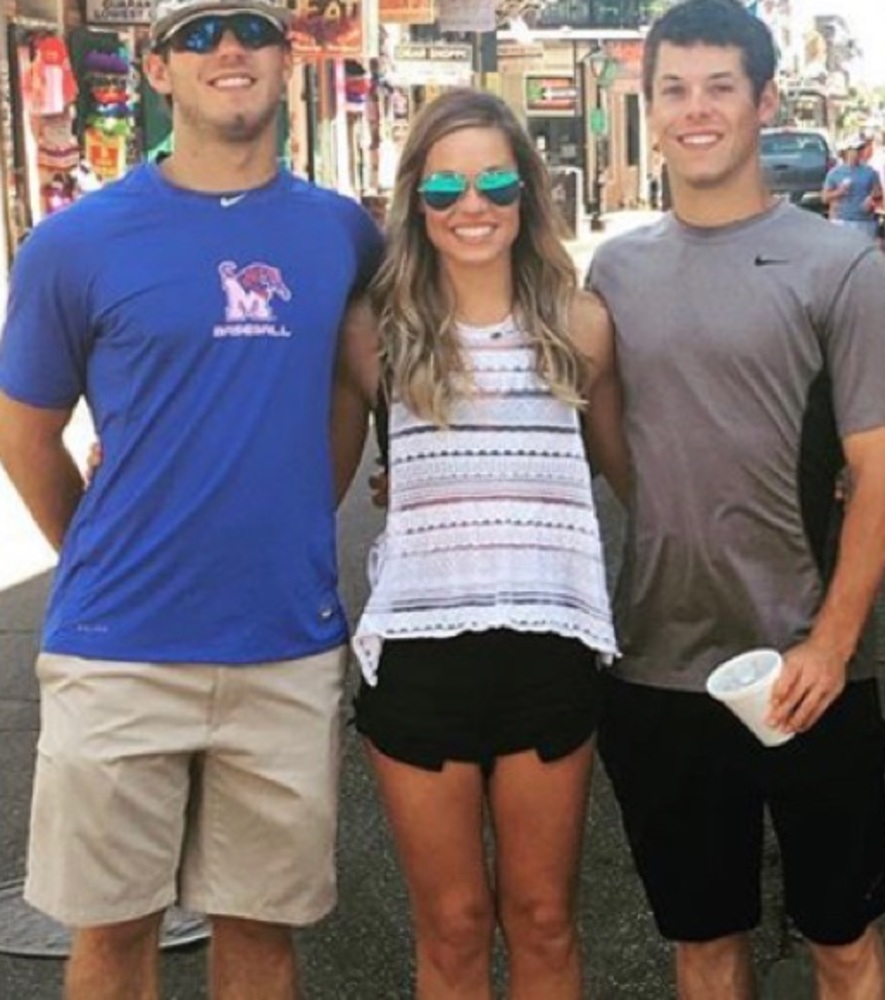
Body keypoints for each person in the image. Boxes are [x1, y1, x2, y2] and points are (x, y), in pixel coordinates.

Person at [0, 0, 382, 997]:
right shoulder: (73, 244)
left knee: (260, 934)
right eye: (200, 33)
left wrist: (303, 511)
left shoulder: (341, 233)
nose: (230, 49)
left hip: (284, 646)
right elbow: (24, 433)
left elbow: (354, 388)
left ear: (289, 61)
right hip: (119, 648)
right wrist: (97, 546)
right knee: (114, 935)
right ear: (158, 70)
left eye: (252, 29)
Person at [588, 2, 885, 998]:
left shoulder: (838, 265)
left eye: (718, 88)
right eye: (674, 90)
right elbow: (615, 446)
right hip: (659, 667)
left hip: (806, 665)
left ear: (762, 101)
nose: (695, 112)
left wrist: (830, 639)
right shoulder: (615, 268)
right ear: (651, 107)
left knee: (840, 935)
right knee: (701, 940)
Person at [334, 87, 625, 998]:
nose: (473, 206)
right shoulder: (373, 336)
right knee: (453, 929)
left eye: (496, 181)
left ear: (529, 193)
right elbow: (308, 483)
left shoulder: (581, 328)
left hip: (550, 645)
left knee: (543, 921)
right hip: (418, 658)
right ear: (413, 201)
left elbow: (641, 476)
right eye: (446, 187)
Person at [821, 135, 883, 240]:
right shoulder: (835, 173)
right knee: (842, 254)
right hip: (841, 220)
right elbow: (824, 198)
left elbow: (879, 195)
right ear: (847, 151)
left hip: (864, 221)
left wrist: (872, 199)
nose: (859, 152)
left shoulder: (870, 172)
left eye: (861, 149)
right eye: (856, 149)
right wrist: (839, 192)